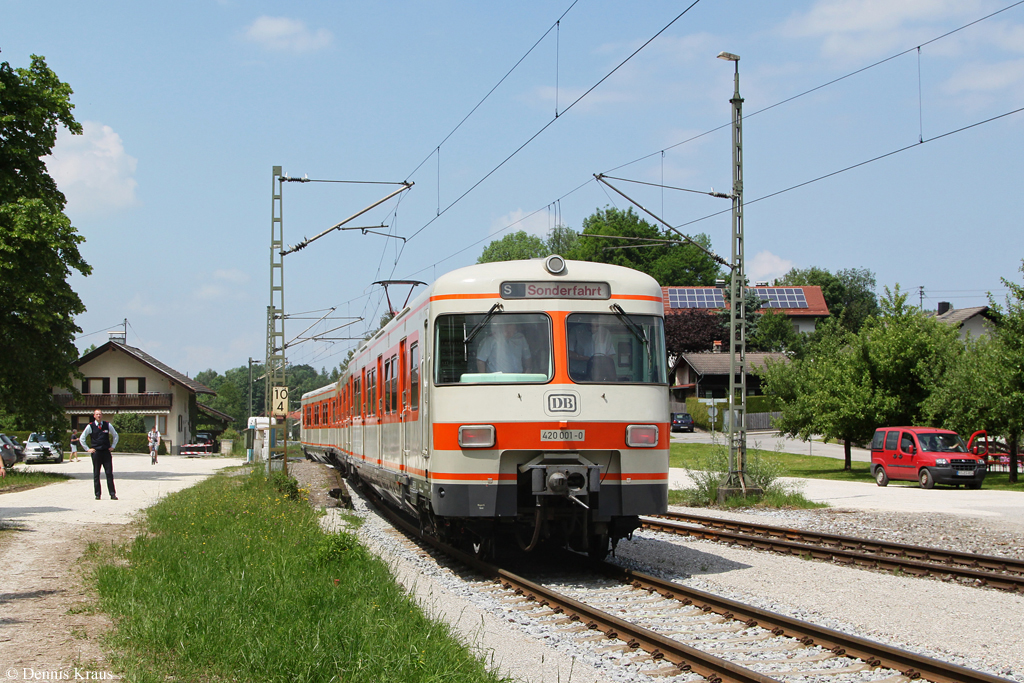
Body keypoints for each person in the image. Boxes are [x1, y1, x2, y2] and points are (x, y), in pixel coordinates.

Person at [80, 409, 119, 500]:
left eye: (100, 414)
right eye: (97, 414)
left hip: (106, 452)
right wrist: (87, 449)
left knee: (109, 473)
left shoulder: (107, 425)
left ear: (102, 415)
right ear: (94, 416)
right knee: (96, 474)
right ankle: (97, 494)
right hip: (96, 452)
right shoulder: (90, 426)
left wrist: (113, 446)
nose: (98, 416)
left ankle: (112, 494)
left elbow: (115, 435)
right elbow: (82, 438)